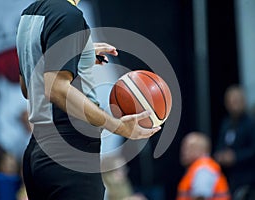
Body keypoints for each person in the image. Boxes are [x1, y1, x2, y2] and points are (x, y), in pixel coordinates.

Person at [16, 0, 161, 199]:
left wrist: (78, 54)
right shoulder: (69, 15)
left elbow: (27, 88)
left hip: (38, 152)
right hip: (69, 153)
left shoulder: (29, 14)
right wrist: (118, 126)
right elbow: (56, 89)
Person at [214, 85, 255, 198]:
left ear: (244, 101)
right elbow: (220, 145)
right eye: (231, 101)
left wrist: (235, 157)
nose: (234, 105)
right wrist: (220, 155)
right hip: (229, 179)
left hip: (248, 180)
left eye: (237, 101)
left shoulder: (251, 123)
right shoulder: (226, 124)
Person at [177, 132, 230, 200]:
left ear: (203, 150)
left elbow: (201, 197)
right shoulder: (197, 167)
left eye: (191, 147)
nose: (184, 151)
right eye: (184, 147)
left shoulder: (203, 169)